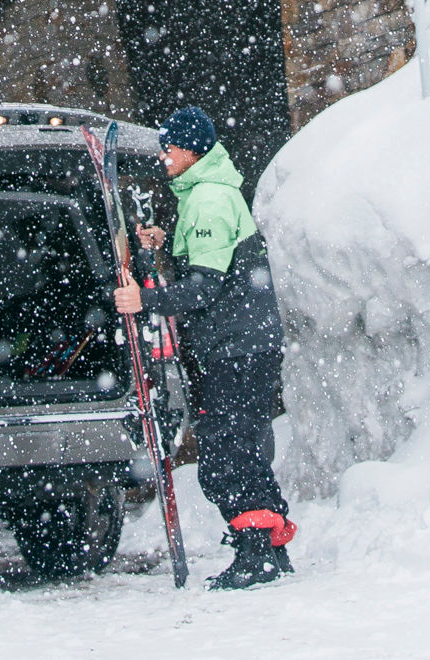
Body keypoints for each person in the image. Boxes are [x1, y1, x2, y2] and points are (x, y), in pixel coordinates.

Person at [111, 106, 297, 589]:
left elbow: (204, 287)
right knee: (242, 447)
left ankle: (256, 553)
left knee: (226, 454)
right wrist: (164, 241)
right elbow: (212, 258)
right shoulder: (206, 193)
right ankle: (269, 546)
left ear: (192, 150)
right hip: (241, 344)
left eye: (169, 149)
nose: (164, 157)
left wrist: (143, 300)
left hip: (233, 347)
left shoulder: (209, 200)